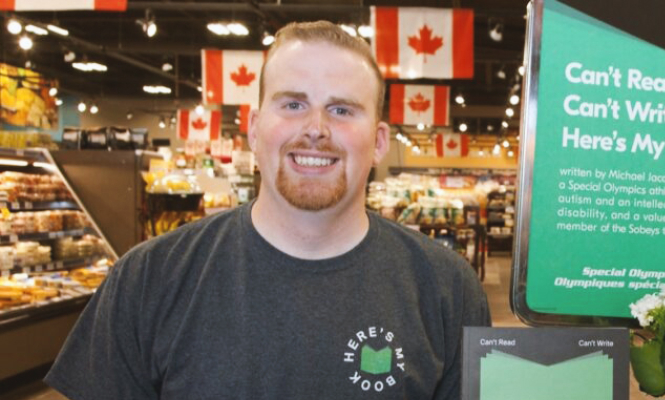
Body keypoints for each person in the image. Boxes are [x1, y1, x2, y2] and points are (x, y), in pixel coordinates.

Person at [45, 21, 490, 399]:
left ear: (377, 143)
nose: (316, 130)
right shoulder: (149, 279)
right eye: (293, 104)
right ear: (255, 129)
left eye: (341, 109)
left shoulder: (447, 288)